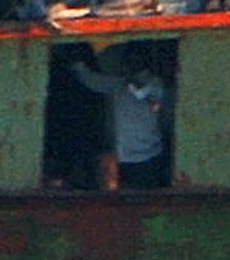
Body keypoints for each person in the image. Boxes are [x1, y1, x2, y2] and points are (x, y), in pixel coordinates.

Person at [69, 45, 171, 189]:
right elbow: (94, 81)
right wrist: (78, 65)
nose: (131, 62)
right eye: (129, 60)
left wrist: (130, 78)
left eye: (136, 59)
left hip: (148, 155)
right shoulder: (119, 83)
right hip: (122, 156)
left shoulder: (154, 84)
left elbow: (141, 93)